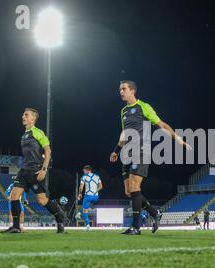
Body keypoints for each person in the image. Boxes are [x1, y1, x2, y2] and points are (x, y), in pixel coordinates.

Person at [110, 80, 191, 235]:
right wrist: (116, 150)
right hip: (126, 153)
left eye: (123, 89)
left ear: (132, 90)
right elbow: (124, 134)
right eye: (120, 89)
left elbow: (162, 125)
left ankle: (136, 227)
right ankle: (155, 213)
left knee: (134, 188)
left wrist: (179, 140)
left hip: (141, 151)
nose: (120, 91)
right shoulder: (123, 111)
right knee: (129, 191)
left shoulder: (144, 107)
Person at [1, 108, 67, 234]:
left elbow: (48, 151)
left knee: (41, 200)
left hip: (34, 171)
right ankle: (16, 227)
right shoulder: (24, 135)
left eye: (26, 115)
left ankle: (60, 217)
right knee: (13, 196)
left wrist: (44, 169)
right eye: (23, 114)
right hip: (24, 170)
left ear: (33, 118)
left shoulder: (38, 132)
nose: (22, 116)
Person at [77, 165, 103, 231]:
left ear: (87, 170)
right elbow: (101, 187)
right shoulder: (97, 176)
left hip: (88, 196)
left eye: (84, 171)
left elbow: (81, 187)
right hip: (96, 197)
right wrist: (95, 192)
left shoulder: (84, 177)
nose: (83, 172)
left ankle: (88, 226)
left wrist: (80, 194)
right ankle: (79, 213)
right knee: (86, 206)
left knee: (84, 211)